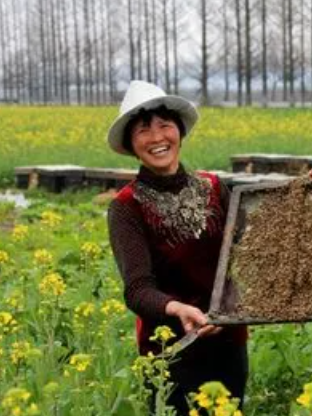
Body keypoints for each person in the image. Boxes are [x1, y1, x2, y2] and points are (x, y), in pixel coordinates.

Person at [106, 80, 248, 415]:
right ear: (131, 143)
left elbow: (246, 249)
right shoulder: (127, 207)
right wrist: (179, 309)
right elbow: (138, 290)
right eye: (143, 131)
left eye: (165, 126)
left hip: (229, 339)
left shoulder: (213, 187)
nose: (157, 138)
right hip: (170, 350)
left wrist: (298, 199)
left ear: (179, 133)